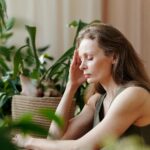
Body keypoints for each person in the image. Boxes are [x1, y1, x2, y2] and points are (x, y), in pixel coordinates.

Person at [14, 23, 150, 150]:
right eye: (81, 59)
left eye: (89, 58)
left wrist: (28, 141)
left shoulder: (134, 94)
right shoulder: (98, 100)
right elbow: (56, 138)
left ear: (114, 56)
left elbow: (81, 147)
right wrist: (71, 86)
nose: (81, 66)